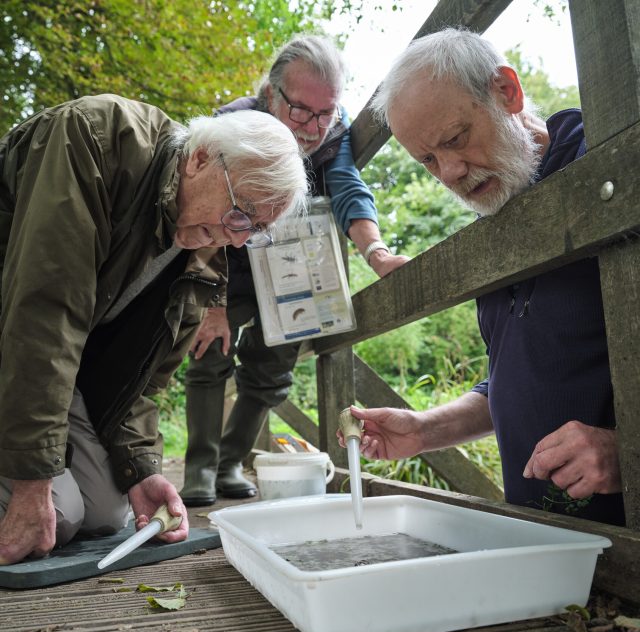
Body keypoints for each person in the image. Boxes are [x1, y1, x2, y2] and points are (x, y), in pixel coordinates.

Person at [0, 93, 308, 565]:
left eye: (257, 229)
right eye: (242, 211)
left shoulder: (204, 253)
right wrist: (30, 483)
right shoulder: (97, 137)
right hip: (16, 332)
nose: (240, 239)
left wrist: (141, 469)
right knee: (57, 513)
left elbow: (141, 382)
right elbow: (45, 315)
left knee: (109, 512)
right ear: (200, 158)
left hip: (55, 366)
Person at [338, 28, 625, 527]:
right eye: (427, 159)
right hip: (548, 555)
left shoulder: (611, 171)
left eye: (455, 139)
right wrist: (424, 430)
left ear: (507, 92)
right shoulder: (490, 228)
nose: (448, 172)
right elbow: (513, 380)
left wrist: (626, 449)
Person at [180, 35, 410, 507]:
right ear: (270, 93)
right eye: (301, 111)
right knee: (211, 353)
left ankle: (230, 463)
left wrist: (377, 253)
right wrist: (213, 304)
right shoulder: (231, 124)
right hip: (226, 263)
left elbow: (348, 189)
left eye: (326, 113)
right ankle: (199, 468)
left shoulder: (333, 134)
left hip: (293, 272)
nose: (312, 127)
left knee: (271, 369)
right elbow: (198, 212)